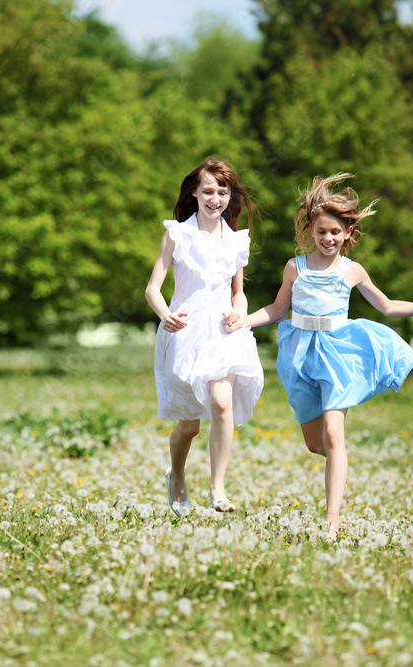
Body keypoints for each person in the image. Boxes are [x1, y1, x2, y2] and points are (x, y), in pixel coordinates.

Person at [225, 173, 413, 539]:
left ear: (348, 233)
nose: (328, 238)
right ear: (311, 230)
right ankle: (340, 463)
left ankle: (331, 522)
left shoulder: (352, 271)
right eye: (321, 232)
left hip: (339, 353)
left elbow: (387, 306)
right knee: (315, 443)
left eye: (335, 232)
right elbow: (276, 310)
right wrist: (243, 320)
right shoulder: (295, 268)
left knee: (335, 435)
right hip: (300, 354)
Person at [145, 158, 264, 517]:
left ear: (231, 196)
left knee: (223, 403)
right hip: (185, 330)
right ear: (194, 194)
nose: (215, 198)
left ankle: (218, 488)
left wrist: (238, 312)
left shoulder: (236, 241)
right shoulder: (178, 234)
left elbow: (238, 292)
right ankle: (177, 476)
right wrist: (165, 315)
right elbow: (152, 289)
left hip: (225, 331)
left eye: (222, 192)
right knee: (190, 425)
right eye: (208, 191)